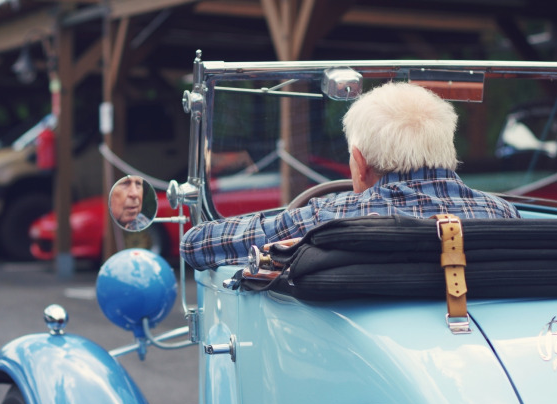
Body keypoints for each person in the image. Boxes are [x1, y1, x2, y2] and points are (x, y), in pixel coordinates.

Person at [180, 82, 521, 271]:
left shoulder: (330, 218)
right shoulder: (503, 215)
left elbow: (197, 244)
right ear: (446, 148)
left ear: (359, 163)